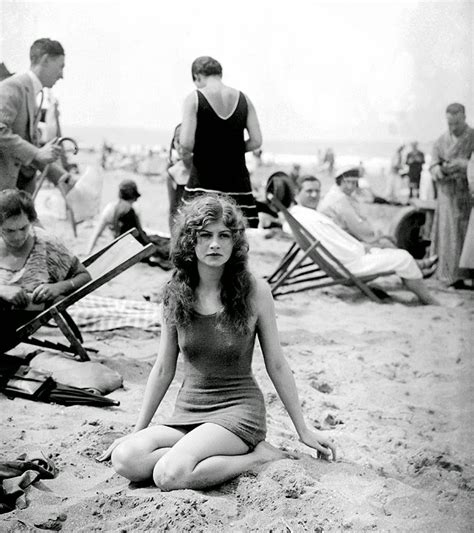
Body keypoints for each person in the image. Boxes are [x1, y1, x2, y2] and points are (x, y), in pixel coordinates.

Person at [97, 195, 337, 489]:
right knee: (125, 458)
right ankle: (194, 456)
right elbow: (163, 368)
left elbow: (276, 363)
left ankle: (259, 458)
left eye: (224, 235)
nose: (215, 244)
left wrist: (303, 428)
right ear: (190, 241)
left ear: (235, 242)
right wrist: (137, 431)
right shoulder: (175, 292)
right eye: (206, 235)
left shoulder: (256, 291)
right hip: (189, 411)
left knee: (169, 475)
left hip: (238, 411)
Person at [288, 175, 439, 305]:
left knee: (387, 250)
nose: (314, 195)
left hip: (346, 260)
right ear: (297, 192)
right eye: (309, 191)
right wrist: (362, 248)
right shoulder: (311, 217)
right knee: (403, 258)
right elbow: (340, 245)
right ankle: (429, 299)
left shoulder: (301, 215)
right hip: (350, 265)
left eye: (317, 191)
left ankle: (419, 269)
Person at [0, 189, 91, 351]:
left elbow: (83, 275)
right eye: (10, 231)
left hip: (13, 322)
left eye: (23, 228)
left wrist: (57, 287)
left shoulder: (46, 244)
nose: (18, 236)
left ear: (31, 221)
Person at [179, 56, 262, 228]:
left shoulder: (194, 98)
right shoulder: (244, 99)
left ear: (197, 76)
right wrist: (232, 150)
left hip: (204, 180)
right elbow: (256, 141)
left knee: (198, 230)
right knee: (236, 235)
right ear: (220, 74)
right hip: (237, 181)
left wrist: (209, 150)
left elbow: (185, 143)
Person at [0, 38, 74, 196]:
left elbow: (29, 149)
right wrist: (36, 152)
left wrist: (63, 178)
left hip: (18, 194)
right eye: (60, 67)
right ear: (45, 60)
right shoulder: (13, 86)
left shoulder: (35, 95)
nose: (62, 75)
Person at [429, 103, 474, 289]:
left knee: (466, 234)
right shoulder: (440, 141)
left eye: (457, 123)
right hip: (447, 194)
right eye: (450, 124)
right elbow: (432, 164)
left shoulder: (472, 137)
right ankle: (448, 274)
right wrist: (437, 169)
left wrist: (465, 165)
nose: (453, 128)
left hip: (467, 193)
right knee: (447, 233)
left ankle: (466, 274)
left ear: (464, 118)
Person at [86, 179, 171, 269]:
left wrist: (88, 251)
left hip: (120, 245)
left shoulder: (109, 209)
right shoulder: (134, 209)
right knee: (162, 243)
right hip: (135, 245)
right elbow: (140, 233)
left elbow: (97, 232)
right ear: (134, 196)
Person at [166, 124, 189, 231]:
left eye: (185, 141)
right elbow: (172, 211)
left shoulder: (203, 172)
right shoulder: (172, 174)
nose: (181, 146)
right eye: (177, 141)